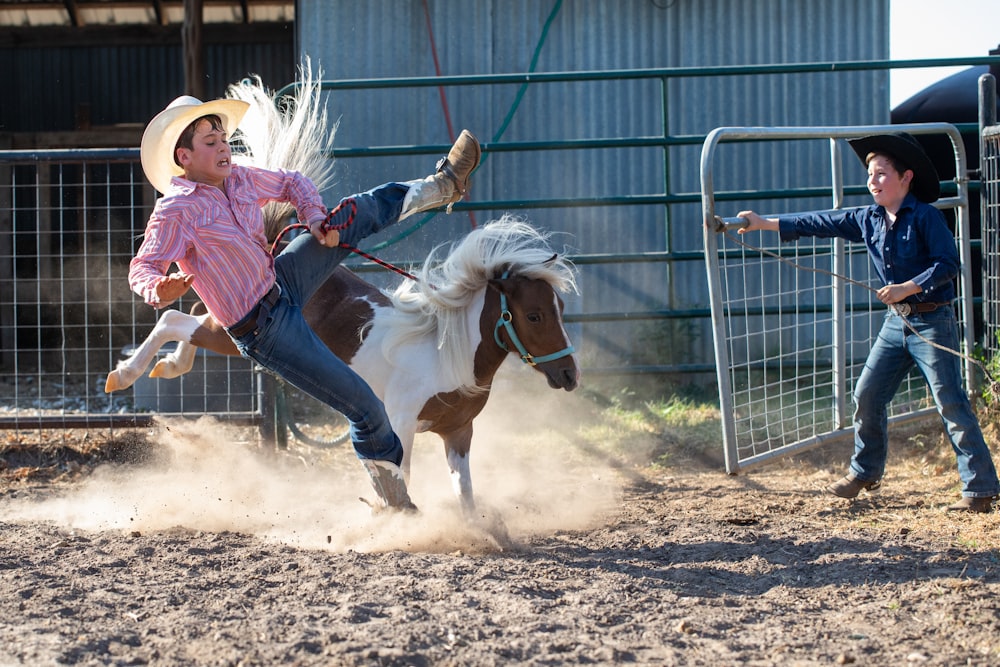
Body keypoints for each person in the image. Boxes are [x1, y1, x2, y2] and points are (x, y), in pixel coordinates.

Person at [130, 95, 481, 513]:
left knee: (348, 216)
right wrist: (159, 288)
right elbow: (143, 267)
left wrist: (315, 217)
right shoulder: (175, 211)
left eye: (224, 137)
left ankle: (442, 186)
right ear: (183, 157)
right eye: (210, 141)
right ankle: (395, 508)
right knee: (366, 407)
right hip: (263, 330)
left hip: (283, 280)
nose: (224, 146)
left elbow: (292, 182)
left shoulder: (240, 179)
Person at [736, 132, 1000, 513]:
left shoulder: (926, 217)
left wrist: (907, 287)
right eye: (870, 175)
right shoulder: (868, 219)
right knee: (867, 395)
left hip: (931, 322)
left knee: (950, 402)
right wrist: (763, 223)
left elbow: (948, 265)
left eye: (880, 174)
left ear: (905, 177)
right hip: (896, 325)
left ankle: (980, 489)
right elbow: (819, 222)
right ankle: (865, 471)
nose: (872, 181)